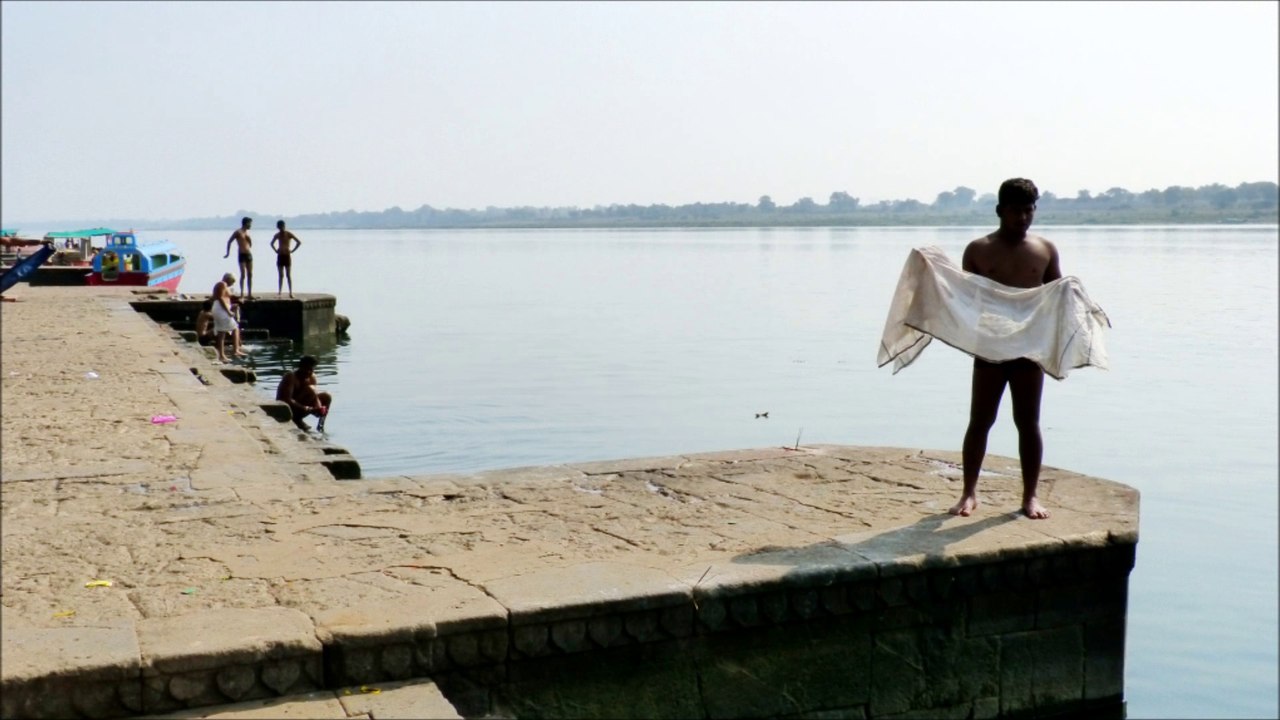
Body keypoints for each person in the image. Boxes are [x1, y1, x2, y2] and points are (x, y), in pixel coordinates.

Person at [952, 178, 1061, 521]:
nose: (1023, 218)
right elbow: (963, 298)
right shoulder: (978, 250)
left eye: (1029, 210)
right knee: (980, 420)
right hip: (991, 345)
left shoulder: (1044, 249)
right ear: (1000, 211)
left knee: (1028, 421)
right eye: (1016, 211)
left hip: (1029, 347)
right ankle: (969, 493)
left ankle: (1030, 497)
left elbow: (1056, 295)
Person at [276, 355, 332, 430]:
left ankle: (320, 426)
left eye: (311, 370)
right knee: (310, 389)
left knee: (327, 396)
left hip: (302, 407)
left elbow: (314, 396)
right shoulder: (291, 377)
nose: (308, 372)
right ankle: (296, 420)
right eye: (306, 369)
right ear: (300, 367)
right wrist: (306, 408)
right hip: (287, 410)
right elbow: (287, 399)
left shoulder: (312, 377)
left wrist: (318, 408)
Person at [211, 281, 247, 362]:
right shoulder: (222, 284)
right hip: (221, 310)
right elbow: (220, 298)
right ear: (228, 279)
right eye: (232, 281)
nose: (233, 283)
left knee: (225, 332)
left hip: (221, 310)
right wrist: (228, 311)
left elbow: (227, 297)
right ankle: (231, 352)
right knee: (230, 330)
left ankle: (225, 354)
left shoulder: (224, 286)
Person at [223, 216, 254, 300]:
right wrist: (228, 253)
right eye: (250, 223)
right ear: (246, 223)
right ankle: (242, 293)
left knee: (250, 274)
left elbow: (250, 245)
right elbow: (229, 241)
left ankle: (250, 293)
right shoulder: (238, 232)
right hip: (241, 255)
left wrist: (250, 241)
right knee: (243, 274)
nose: (251, 225)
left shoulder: (247, 233)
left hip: (248, 254)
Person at [270, 220, 302, 297]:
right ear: (278, 227)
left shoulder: (288, 234)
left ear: (284, 226)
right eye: (280, 227)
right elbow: (271, 243)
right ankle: (279, 292)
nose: (281, 228)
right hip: (280, 255)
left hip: (287, 255)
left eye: (283, 226)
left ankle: (290, 292)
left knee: (288, 275)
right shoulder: (277, 235)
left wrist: (292, 250)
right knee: (281, 275)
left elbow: (298, 242)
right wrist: (275, 250)